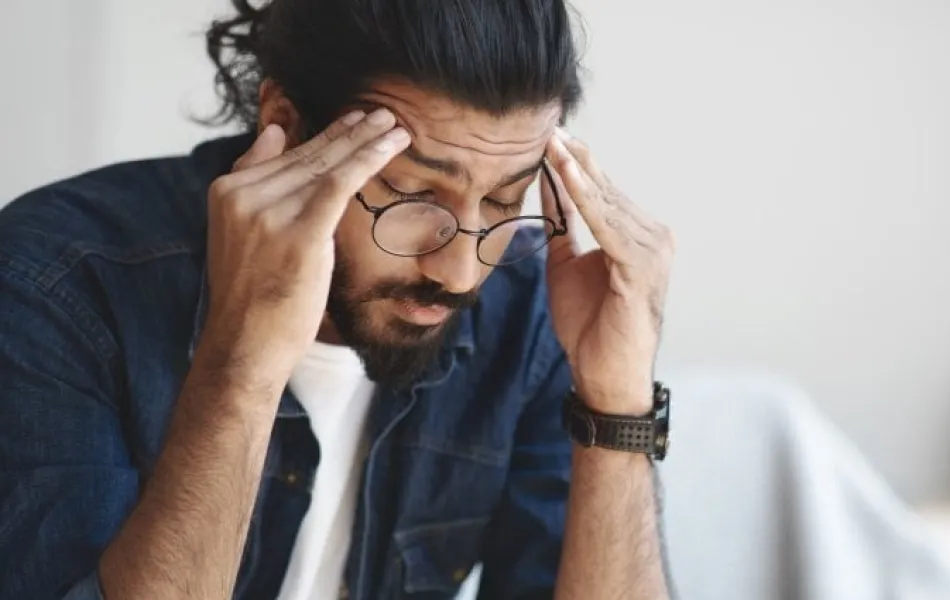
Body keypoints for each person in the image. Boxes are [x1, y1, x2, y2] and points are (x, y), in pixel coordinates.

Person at [0, 0, 675, 598]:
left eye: (504, 198)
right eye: (413, 192)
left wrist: (616, 404)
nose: (462, 271)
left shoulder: (528, 314)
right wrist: (242, 366)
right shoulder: (54, 288)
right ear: (286, 126)